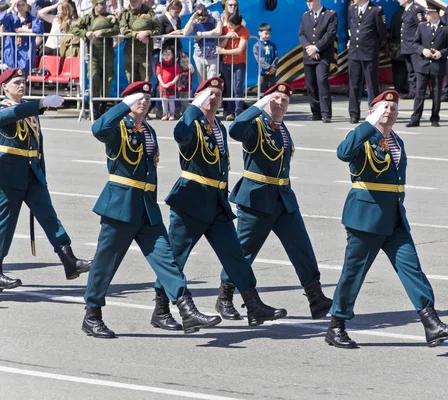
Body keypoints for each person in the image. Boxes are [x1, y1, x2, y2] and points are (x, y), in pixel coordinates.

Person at [325, 89, 448, 349]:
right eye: (383, 107)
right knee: (353, 273)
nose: (389, 111)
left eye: (393, 108)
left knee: (411, 267)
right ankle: (337, 325)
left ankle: (432, 323)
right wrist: (368, 124)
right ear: (372, 111)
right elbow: (343, 152)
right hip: (365, 218)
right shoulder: (363, 137)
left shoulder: (397, 140)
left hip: (393, 217)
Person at [83, 81, 222, 338]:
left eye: (148, 97)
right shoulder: (118, 128)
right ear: (127, 100)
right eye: (138, 97)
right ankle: (92, 315)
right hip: (120, 206)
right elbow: (98, 128)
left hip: (146, 207)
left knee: (166, 259)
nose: (145, 101)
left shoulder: (149, 130)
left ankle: (186, 308)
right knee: (105, 263)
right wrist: (124, 106)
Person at [152, 77, 287, 328]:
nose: (214, 98)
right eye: (208, 93)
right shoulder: (191, 122)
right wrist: (193, 106)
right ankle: (160, 309)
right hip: (191, 200)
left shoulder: (219, 127)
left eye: (217, 94)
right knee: (176, 257)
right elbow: (180, 134)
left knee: (235, 255)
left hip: (217, 202)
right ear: (198, 96)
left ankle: (254, 305)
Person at [220, 83, 332, 320]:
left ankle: (316, 298)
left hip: (284, 198)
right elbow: (235, 130)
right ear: (266, 100)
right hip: (257, 198)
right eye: (275, 98)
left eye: (285, 100)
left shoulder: (282, 128)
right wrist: (258, 106)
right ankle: (225, 297)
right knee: (243, 251)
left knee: (302, 249)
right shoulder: (255, 124)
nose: (280, 103)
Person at [0, 68, 92, 291]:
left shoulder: (29, 112)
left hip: (32, 174)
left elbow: (37, 147)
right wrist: (39, 104)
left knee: (50, 217)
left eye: (23, 82)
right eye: (16, 83)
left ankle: (69, 261)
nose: (21, 86)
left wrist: (42, 175)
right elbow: (8, 116)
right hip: (8, 176)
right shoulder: (6, 108)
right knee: (4, 225)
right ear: (4, 87)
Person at [407, 3, 448, 128]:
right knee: (419, 92)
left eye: (428, 13)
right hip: (423, 64)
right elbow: (415, 43)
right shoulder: (422, 27)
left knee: (436, 93)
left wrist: (441, 53)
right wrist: (423, 51)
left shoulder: (446, 29)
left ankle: (435, 117)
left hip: (438, 65)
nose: (425, 15)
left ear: (436, 13)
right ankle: (415, 118)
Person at [70, 0, 120, 120]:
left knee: (107, 81)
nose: (103, 6)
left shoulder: (110, 17)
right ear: (95, 5)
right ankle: (94, 108)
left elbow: (117, 29)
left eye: (104, 4)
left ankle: (104, 107)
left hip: (107, 54)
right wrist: (85, 33)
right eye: (101, 4)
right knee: (94, 79)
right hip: (93, 55)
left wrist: (102, 32)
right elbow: (73, 28)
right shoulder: (87, 18)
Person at [298, 0, 338, 123]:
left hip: (323, 55)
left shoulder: (330, 14)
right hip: (309, 55)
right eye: (307, 1)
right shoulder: (305, 16)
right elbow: (301, 34)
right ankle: (315, 112)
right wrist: (308, 48)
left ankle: (326, 113)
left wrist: (316, 48)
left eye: (310, 1)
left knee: (322, 81)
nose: (308, 3)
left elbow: (330, 34)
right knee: (310, 84)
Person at [217, 13, 250, 121]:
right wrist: (227, 36)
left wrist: (224, 51)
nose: (230, 26)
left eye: (232, 25)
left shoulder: (244, 30)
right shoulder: (225, 29)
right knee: (228, 87)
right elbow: (220, 46)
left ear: (238, 25)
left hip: (239, 63)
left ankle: (238, 110)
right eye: (229, 24)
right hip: (226, 63)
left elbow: (240, 50)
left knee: (238, 87)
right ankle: (230, 111)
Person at [120, 0, 160, 83]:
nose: (132, 3)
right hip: (131, 52)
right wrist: (137, 35)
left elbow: (158, 28)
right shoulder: (125, 13)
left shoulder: (149, 12)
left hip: (145, 53)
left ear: (141, 1)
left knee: (145, 81)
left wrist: (148, 33)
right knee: (131, 81)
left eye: (135, 1)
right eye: (131, 1)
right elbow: (123, 29)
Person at [1, 0, 44, 76]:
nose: (20, 7)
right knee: (11, 73)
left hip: (26, 50)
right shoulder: (11, 18)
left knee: (23, 73)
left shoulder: (32, 19)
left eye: (22, 5)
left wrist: (25, 30)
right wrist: (11, 8)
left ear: (26, 5)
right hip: (12, 48)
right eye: (18, 5)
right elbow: (1, 19)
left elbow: (39, 29)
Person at [183, 3, 222, 83]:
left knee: (212, 81)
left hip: (212, 54)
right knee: (202, 83)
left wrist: (202, 34)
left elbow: (219, 31)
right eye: (200, 19)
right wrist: (192, 18)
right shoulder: (195, 20)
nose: (201, 20)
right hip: (199, 54)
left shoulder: (214, 15)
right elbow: (185, 33)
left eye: (203, 19)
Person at [398, 0, 424, 100]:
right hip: (406, 46)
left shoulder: (415, 10)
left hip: (413, 46)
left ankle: (421, 92)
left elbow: (421, 26)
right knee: (411, 71)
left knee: (417, 70)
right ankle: (412, 92)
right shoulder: (407, 10)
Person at [156, 47, 180, 121]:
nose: (166, 56)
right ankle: (165, 114)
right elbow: (158, 75)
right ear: (162, 55)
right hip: (163, 86)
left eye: (168, 54)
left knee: (171, 100)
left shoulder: (174, 65)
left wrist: (172, 82)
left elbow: (177, 75)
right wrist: (163, 84)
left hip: (172, 86)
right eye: (165, 54)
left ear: (172, 55)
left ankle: (172, 114)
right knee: (164, 100)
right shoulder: (159, 65)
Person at [254, 23, 278, 95]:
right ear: (259, 33)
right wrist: (268, 68)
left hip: (272, 72)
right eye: (265, 33)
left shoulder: (272, 45)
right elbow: (259, 59)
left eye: (269, 34)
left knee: (272, 89)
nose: (267, 36)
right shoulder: (257, 45)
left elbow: (276, 57)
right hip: (262, 72)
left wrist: (273, 67)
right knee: (262, 89)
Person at [389, 3, 407, 95]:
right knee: (402, 68)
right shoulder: (406, 15)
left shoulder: (395, 14)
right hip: (402, 45)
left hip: (394, 45)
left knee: (396, 68)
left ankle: (397, 87)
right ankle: (400, 88)